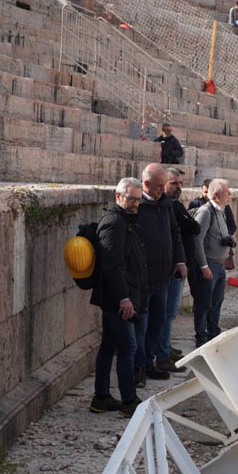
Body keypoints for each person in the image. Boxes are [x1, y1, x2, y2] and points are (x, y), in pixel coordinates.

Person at [90, 178, 146, 416]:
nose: (135, 204)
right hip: (117, 299)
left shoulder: (125, 221)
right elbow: (112, 266)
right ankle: (129, 401)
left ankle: (101, 397)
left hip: (121, 296)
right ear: (118, 197)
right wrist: (124, 298)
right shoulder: (114, 223)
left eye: (138, 199)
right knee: (127, 346)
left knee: (109, 346)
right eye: (131, 199)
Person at [134, 163, 187, 381]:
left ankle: (149, 363)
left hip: (163, 276)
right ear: (146, 184)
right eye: (159, 185)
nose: (162, 190)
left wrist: (180, 259)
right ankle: (138, 368)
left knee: (158, 322)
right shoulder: (136, 206)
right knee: (142, 326)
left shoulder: (165, 204)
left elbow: (174, 234)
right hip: (143, 279)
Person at [190, 179, 235, 346]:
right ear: (216, 195)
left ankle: (213, 333)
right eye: (227, 192)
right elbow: (197, 240)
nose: (230, 194)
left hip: (219, 264)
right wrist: (203, 266)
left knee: (217, 301)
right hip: (209, 265)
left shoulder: (221, 211)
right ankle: (201, 337)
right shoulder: (206, 212)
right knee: (204, 303)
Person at [163, 168, 199, 363]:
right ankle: (163, 350)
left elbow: (192, 227)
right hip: (172, 268)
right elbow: (192, 227)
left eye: (181, 183)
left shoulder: (175, 206)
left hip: (179, 266)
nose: (179, 187)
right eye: (174, 183)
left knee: (170, 312)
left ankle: (165, 346)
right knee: (168, 312)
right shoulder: (171, 207)